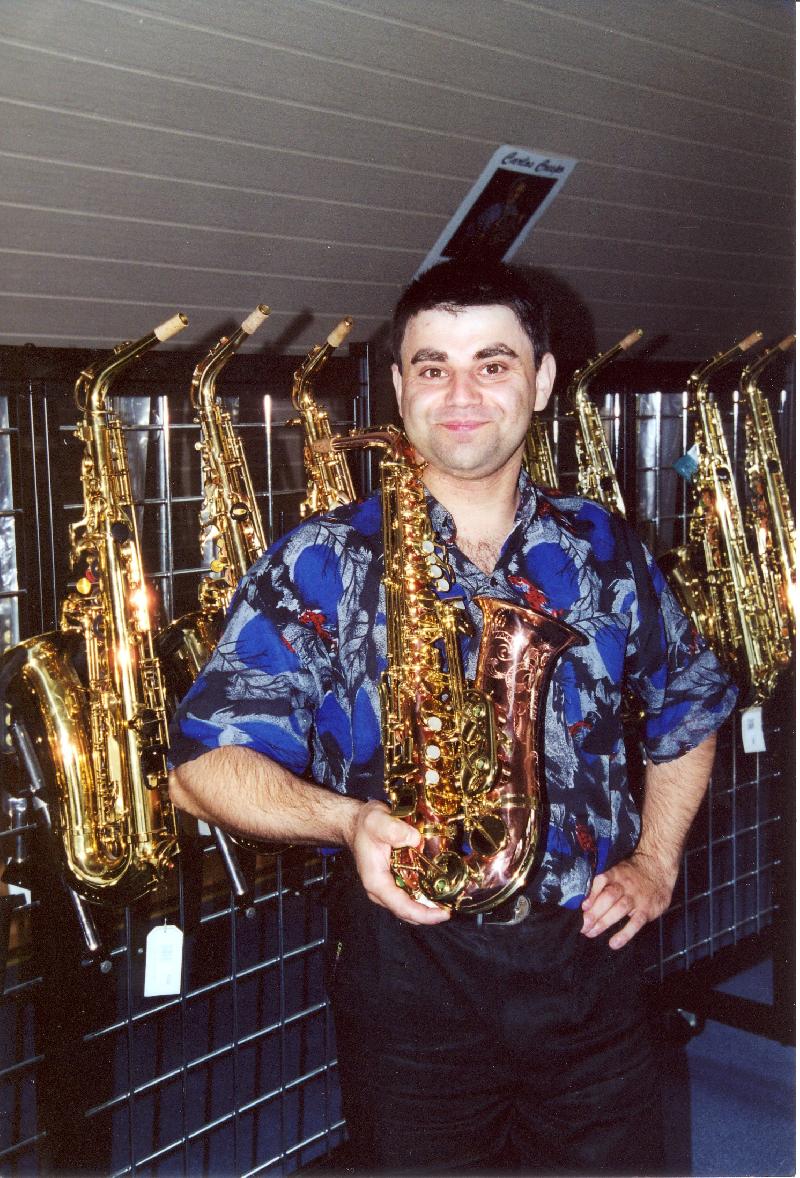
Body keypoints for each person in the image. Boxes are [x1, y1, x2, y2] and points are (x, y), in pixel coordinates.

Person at [168, 259, 738, 1175]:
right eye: (432, 367)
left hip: (588, 965)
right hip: (408, 979)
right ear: (399, 388)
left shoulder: (604, 546)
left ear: (542, 381)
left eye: (492, 364)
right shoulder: (320, 560)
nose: (461, 395)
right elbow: (201, 770)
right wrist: (345, 821)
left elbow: (692, 708)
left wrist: (657, 862)